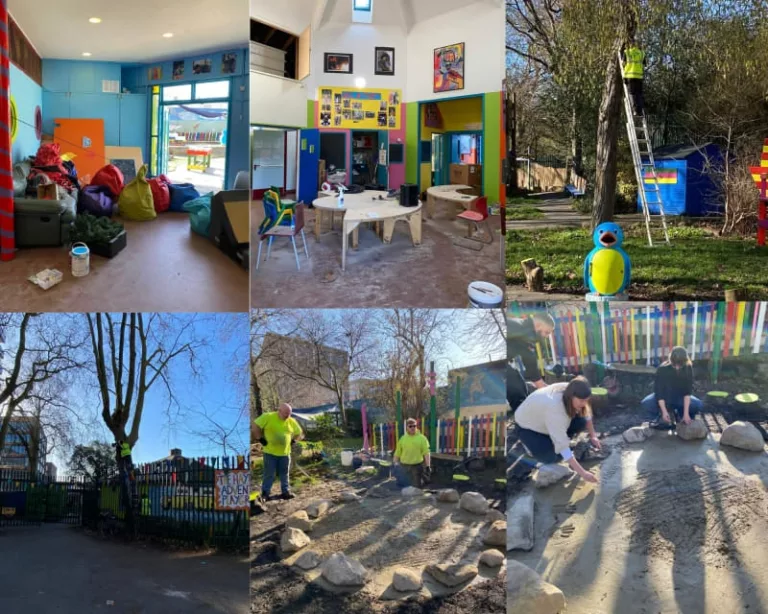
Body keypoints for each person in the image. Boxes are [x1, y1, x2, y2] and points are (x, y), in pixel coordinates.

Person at [514, 377, 600, 483]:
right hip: (527, 427)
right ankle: (530, 447)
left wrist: (593, 435)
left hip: (545, 419)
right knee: (551, 457)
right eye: (582, 401)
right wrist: (583, 473)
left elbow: (586, 412)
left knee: (581, 421)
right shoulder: (556, 409)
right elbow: (562, 447)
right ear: (571, 396)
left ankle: (556, 436)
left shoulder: (573, 388)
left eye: (586, 400)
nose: (584, 403)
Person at [254, 403, 304, 500]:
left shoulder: (291, 421)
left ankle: (286, 492)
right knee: (269, 474)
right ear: (279, 411)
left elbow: (299, 432)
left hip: (285, 453)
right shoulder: (268, 417)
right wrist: (259, 438)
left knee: (284, 473)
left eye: (289, 414)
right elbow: (255, 425)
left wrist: (294, 440)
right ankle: (265, 494)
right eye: (286, 413)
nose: (287, 416)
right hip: (270, 453)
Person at [642, 346, 702, 427]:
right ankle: (656, 419)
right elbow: (659, 393)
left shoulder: (688, 368)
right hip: (665, 397)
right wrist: (664, 411)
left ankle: (682, 415)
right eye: (674, 365)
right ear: (670, 360)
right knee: (646, 403)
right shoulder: (662, 369)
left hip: (680, 397)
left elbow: (687, 392)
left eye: (680, 366)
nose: (677, 368)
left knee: (698, 404)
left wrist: (686, 413)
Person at [507, 312, 556, 411]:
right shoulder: (524, 331)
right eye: (546, 332)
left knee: (518, 384)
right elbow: (530, 363)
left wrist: (542, 385)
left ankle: (523, 413)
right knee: (516, 389)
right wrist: (546, 390)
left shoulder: (522, 326)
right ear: (538, 325)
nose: (546, 336)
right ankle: (523, 416)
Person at [393, 418, 431, 488]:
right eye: (410, 426)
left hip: (417, 467)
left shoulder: (422, 438)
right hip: (404, 467)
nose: (413, 428)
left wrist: (428, 466)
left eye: (414, 426)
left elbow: (426, 453)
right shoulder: (403, 439)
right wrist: (395, 464)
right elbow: (397, 453)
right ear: (407, 427)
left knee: (416, 487)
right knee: (403, 486)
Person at [622, 40, 647, 116]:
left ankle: (635, 110)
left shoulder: (627, 52)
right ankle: (640, 111)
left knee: (632, 94)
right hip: (639, 77)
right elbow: (644, 65)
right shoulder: (642, 53)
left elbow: (623, 64)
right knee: (639, 94)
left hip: (630, 76)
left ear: (630, 45)